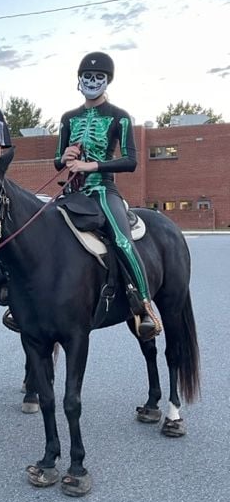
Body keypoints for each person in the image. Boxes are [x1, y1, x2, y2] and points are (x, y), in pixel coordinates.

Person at [54, 51, 161, 341]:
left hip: (103, 190)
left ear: (107, 81)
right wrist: (66, 156)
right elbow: (56, 163)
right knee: (35, 231)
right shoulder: (68, 118)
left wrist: (92, 165)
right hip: (73, 192)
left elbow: (130, 161)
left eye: (98, 77)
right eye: (87, 77)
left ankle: (144, 307)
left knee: (122, 240)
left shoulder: (119, 117)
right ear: (79, 80)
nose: (92, 81)